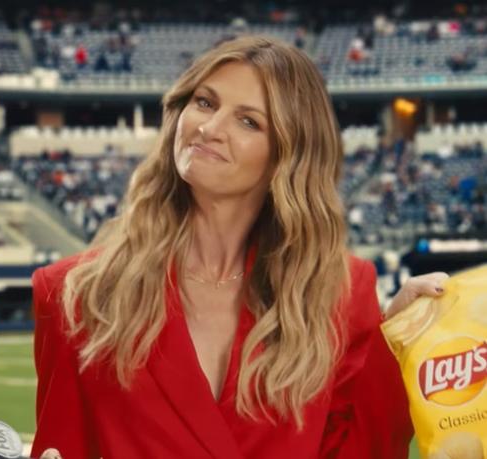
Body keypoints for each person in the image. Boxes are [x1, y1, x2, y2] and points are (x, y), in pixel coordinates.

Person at [32, 36, 448, 459]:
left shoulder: (340, 292)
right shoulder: (73, 293)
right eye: (205, 102)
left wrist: (393, 351)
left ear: (287, 155)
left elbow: (361, 451)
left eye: (248, 121)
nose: (210, 128)